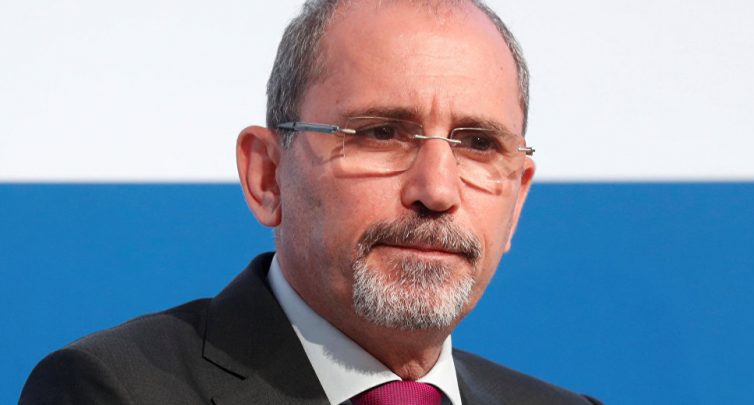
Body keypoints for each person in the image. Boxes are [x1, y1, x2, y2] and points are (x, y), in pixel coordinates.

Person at [20, 0, 601, 404]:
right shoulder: (110, 390)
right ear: (268, 176)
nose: (437, 190)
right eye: (381, 133)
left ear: (517, 200)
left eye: (478, 145)